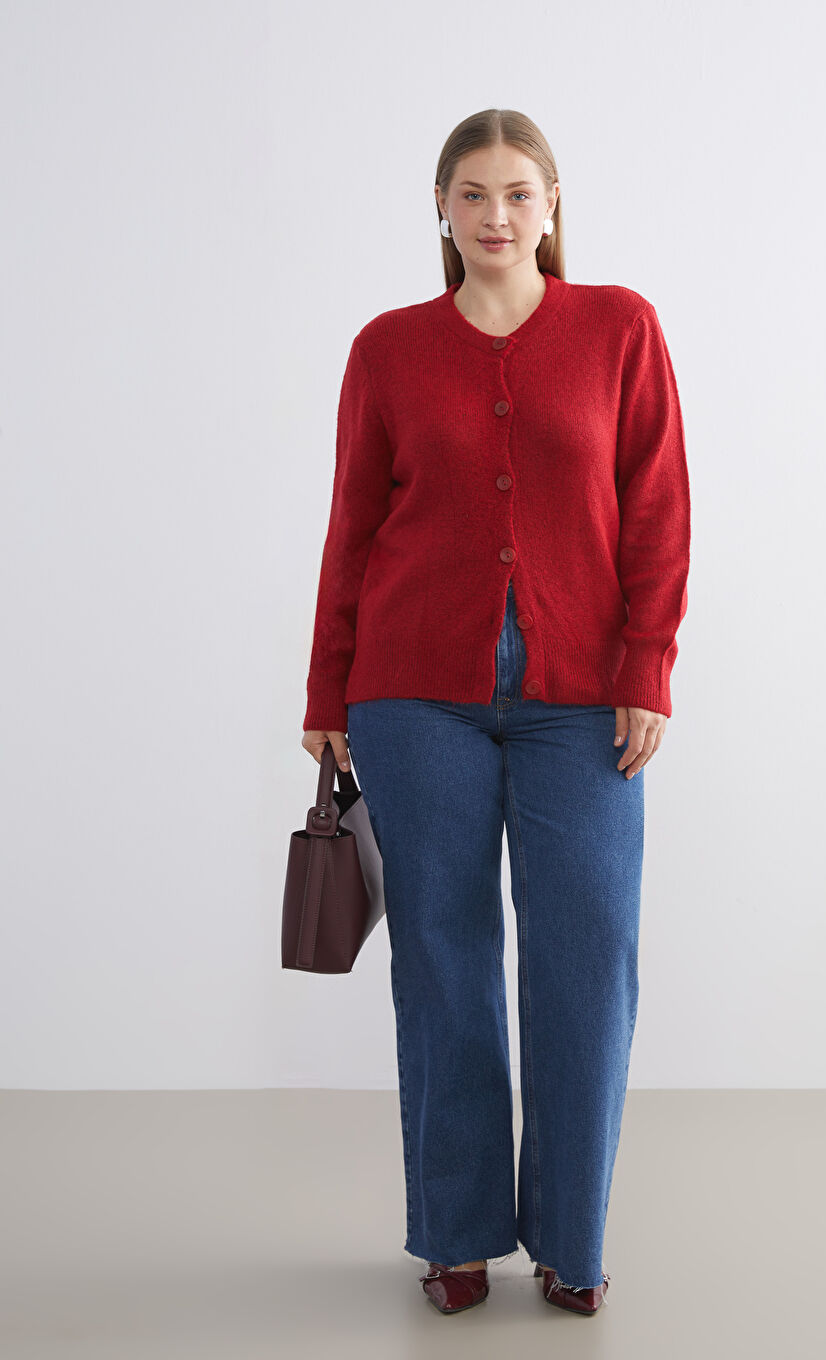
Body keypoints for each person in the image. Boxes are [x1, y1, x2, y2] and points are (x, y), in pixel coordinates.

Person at [301, 108, 691, 1318]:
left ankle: (573, 1237)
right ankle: (456, 1232)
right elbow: (354, 523)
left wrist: (647, 667)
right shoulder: (389, 349)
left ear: (553, 204)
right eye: (471, 194)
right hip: (415, 694)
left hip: (585, 699)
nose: (496, 215)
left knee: (588, 960)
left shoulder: (619, 328)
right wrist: (326, 686)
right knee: (444, 959)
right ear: (441, 208)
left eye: (518, 193)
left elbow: (657, 505)